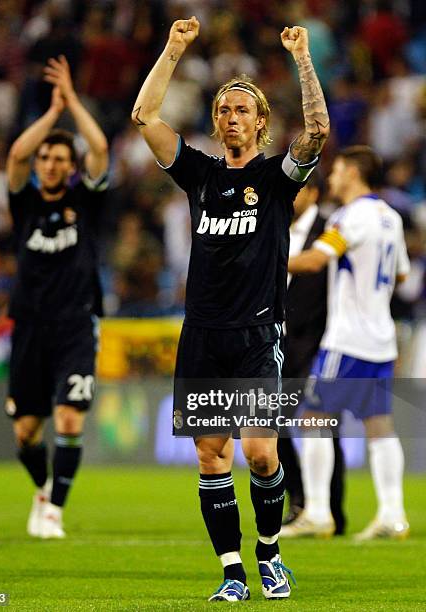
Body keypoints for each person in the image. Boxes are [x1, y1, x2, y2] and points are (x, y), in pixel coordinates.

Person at [132, 17, 329, 601]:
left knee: (261, 451)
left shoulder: (275, 178)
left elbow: (316, 131)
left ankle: (270, 554)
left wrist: (301, 58)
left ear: (261, 123)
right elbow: (144, 117)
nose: (231, 117)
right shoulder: (199, 175)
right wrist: (172, 49)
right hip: (203, 334)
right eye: (223, 110)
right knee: (211, 456)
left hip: (256, 332)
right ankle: (233, 573)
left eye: (242, 110)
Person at [283, 145, 410, 540]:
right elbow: (401, 275)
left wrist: (260, 257)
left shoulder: (349, 217)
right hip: (381, 339)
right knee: (380, 427)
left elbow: (314, 261)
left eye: (337, 172)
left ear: (353, 174)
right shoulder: (390, 218)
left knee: (313, 419)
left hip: (347, 340)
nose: (333, 179)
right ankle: (392, 513)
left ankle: (318, 511)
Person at [5, 55, 108, 539]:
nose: (49, 164)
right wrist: (51, 114)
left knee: (69, 417)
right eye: (45, 157)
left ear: (70, 169)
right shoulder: (23, 201)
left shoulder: (82, 201)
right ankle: (43, 487)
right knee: (26, 431)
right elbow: (15, 158)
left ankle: (55, 510)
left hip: (75, 324)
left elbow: (101, 148)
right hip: (28, 326)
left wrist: (73, 103)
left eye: (59, 159)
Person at [279, 174, 346, 534]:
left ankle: (332, 510)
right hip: (280, 345)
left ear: (315, 192)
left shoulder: (331, 228)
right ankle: (300, 500)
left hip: (318, 343)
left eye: (299, 188)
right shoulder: (276, 225)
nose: (291, 195)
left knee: (321, 426)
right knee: (273, 425)